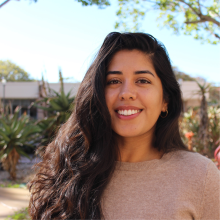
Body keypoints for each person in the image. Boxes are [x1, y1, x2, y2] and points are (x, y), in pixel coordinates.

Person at [29, 32, 220, 220]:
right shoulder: (67, 172)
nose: (127, 93)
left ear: (165, 100)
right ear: (97, 95)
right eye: (114, 81)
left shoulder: (201, 177)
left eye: (142, 81)